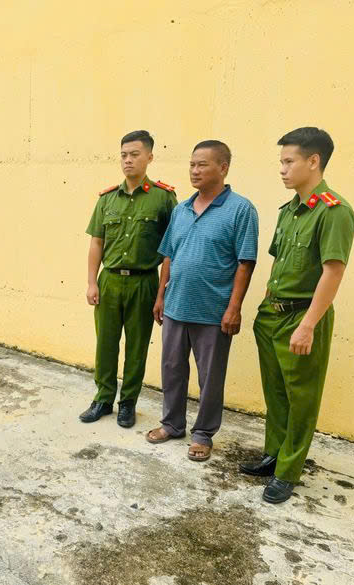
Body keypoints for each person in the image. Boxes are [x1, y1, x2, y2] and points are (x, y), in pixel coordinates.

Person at [239, 127, 354, 504]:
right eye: (281, 162)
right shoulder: (290, 211)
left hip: (302, 318)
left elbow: (333, 271)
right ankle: (274, 455)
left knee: (302, 398)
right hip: (272, 316)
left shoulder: (334, 212)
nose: (282, 169)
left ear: (313, 161)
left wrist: (308, 325)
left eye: (289, 161)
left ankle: (289, 472)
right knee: (276, 395)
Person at [146, 141, 258, 462]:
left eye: (202, 165)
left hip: (213, 311)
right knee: (171, 368)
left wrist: (234, 307)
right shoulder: (181, 209)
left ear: (223, 168)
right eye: (192, 164)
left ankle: (203, 433)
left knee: (210, 376)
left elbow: (245, 262)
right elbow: (169, 255)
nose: (194, 170)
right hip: (176, 306)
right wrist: (160, 295)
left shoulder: (241, 210)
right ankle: (172, 424)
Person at [81, 130, 177, 428]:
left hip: (143, 282)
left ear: (149, 157)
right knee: (105, 344)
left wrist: (161, 293)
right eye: (123, 155)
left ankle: (128, 403)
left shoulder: (163, 198)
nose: (128, 160)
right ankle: (103, 398)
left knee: (137, 347)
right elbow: (97, 242)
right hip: (110, 280)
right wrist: (92, 281)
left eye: (134, 154)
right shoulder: (107, 198)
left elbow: (170, 251)